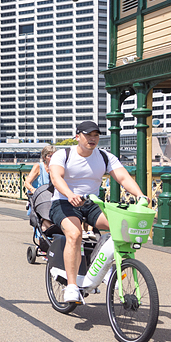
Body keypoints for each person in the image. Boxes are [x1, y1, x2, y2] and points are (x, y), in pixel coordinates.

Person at [49, 121, 146, 303]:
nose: (92, 139)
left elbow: (123, 177)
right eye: (88, 135)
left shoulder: (104, 157)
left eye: (96, 135)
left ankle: (106, 270)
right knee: (75, 234)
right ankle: (71, 286)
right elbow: (56, 177)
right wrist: (70, 194)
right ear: (77, 136)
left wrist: (140, 195)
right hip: (64, 201)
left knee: (120, 229)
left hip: (91, 203)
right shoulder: (63, 154)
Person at [26, 145, 56, 231]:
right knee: (43, 218)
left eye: (54, 156)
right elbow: (27, 182)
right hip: (40, 198)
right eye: (49, 156)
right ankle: (45, 237)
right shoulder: (38, 166)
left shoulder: (57, 168)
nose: (52, 158)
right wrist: (33, 190)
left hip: (52, 198)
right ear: (44, 157)